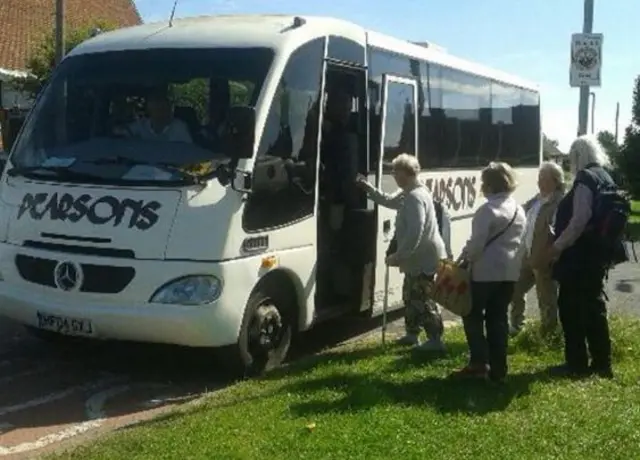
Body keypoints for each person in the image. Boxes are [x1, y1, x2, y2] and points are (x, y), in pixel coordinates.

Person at [356, 153, 447, 351]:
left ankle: (435, 340)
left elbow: (416, 231)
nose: (393, 175)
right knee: (410, 295)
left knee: (423, 298)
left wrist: (399, 255)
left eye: (395, 171)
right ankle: (412, 334)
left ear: (406, 173)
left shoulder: (415, 197)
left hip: (424, 257)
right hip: (417, 257)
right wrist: (368, 189)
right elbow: (389, 201)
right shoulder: (409, 192)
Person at [547, 136, 616, 379]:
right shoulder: (605, 177)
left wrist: (557, 246)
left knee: (570, 307)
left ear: (577, 156)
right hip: (598, 252)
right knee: (594, 306)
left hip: (579, 256)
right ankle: (601, 362)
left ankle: (576, 362)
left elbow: (579, 220)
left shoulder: (585, 179)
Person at [451, 162, 526, 383]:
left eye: (483, 183)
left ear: (490, 185)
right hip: (509, 272)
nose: (481, 187)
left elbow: (476, 247)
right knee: (498, 319)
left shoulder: (486, 210)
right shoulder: (518, 209)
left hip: (484, 273)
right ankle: (499, 369)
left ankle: (478, 362)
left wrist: (463, 259)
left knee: (471, 315)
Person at [509, 162, 565, 336]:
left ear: (556, 181)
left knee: (546, 298)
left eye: (545, 179)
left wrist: (552, 255)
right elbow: (519, 212)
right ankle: (517, 325)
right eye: (539, 178)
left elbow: (559, 232)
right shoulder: (537, 200)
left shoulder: (560, 203)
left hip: (544, 257)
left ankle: (549, 333)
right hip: (527, 253)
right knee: (515, 289)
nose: (540, 183)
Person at [122, 89, 193, 143]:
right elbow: (122, 134)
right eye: (157, 108)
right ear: (149, 110)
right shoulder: (141, 125)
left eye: (164, 108)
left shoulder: (179, 127)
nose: (162, 112)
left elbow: (187, 152)